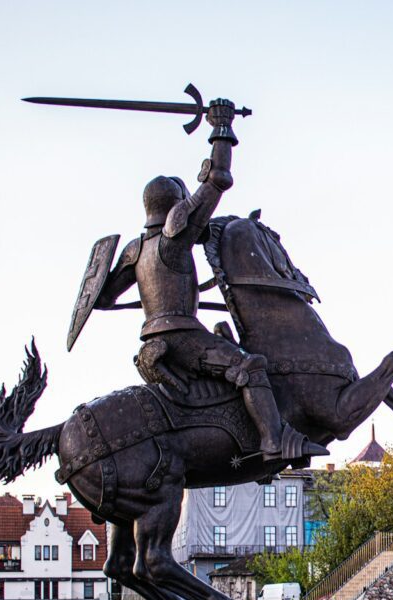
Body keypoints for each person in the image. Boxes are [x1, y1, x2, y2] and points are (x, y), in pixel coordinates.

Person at [94, 99, 326, 463]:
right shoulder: (174, 235)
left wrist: (153, 303)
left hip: (151, 337)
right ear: (175, 204)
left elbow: (104, 299)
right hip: (183, 337)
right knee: (250, 367)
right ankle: (273, 442)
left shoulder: (134, 250)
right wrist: (221, 126)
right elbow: (218, 178)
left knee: (223, 336)